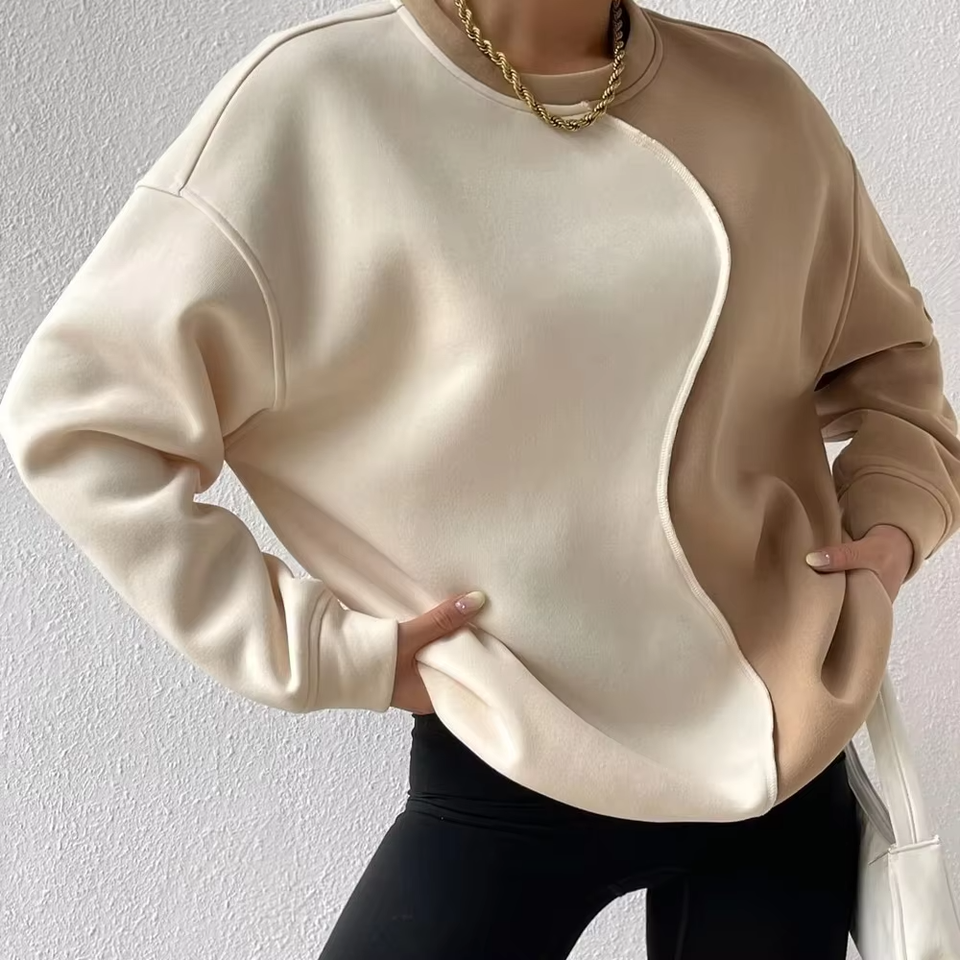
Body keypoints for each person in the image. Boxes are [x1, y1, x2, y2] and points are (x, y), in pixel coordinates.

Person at [1, 0, 958, 956]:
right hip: (512, 748)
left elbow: (894, 371)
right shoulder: (320, 103)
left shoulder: (758, 101)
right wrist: (321, 649)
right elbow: (83, 419)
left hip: (782, 752)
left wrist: (892, 527)